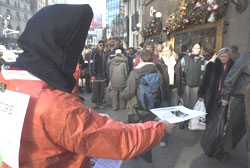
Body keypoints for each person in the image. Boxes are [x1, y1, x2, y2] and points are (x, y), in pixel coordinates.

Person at [0, 4, 175, 168]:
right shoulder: (56, 105)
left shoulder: (5, 78)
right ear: (64, 48)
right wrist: (159, 128)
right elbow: (118, 140)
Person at [121, 50, 163, 163]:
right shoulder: (157, 71)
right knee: (147, 133)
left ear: (141, 59)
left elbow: (130, 91)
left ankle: (134, 152)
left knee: (133, 132)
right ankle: (147, 155)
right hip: (150, 107)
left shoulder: (135, 73)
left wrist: (122, 95)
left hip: (135, 108)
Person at [220, 51, 250, 158]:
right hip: (241, 100)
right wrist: (225, 96)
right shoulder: (245, 58)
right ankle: (225, 151)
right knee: (234, 128)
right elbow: (231, 77)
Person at [155, 42, 183, 147]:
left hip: (174, 90)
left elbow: (180, 76)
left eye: (167, 50)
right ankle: (163, 138)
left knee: (172, 114)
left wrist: (180, 90)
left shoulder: (177, 61)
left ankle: (168, 130)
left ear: (171, 51)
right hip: (164, 91)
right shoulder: (159, 63)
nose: (166, 53)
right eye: (164, 51)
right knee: (165, 115)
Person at [198, 48, 234, 124]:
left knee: (223, 118)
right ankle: (210, 133)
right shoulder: (211, 66)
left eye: (226, 56)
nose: (223, 58)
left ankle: (220, 133)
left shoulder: (233, 67)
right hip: (213, 94)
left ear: (229, 57)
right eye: (222, 56)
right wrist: (201, 94)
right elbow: (205, 81)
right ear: (219, 56)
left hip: (226, 96)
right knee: (211, 116)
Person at [181, 43, 206, 109]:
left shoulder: (202, 59)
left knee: (193, 103)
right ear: (192, 49)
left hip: (196, 84)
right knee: (185, 103)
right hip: (186, 84)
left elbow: (204, 72)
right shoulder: (186, 58)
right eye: (195, 48)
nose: (196, 50)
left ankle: (191, 118)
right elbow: (180, 69)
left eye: (198, 48)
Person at [89, 40, 108, 109]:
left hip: (103, 74)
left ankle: (100, 102)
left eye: (103, 45)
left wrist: (106, 73)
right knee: (95, 89)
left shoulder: (104, 53)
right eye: (100, 45)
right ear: (98, 45)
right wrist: (92, 74)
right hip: (96, 74)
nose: (101, 47)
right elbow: (91, 64)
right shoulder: (94, 53)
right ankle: (94, 101)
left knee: (102, 90)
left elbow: (106, 64)